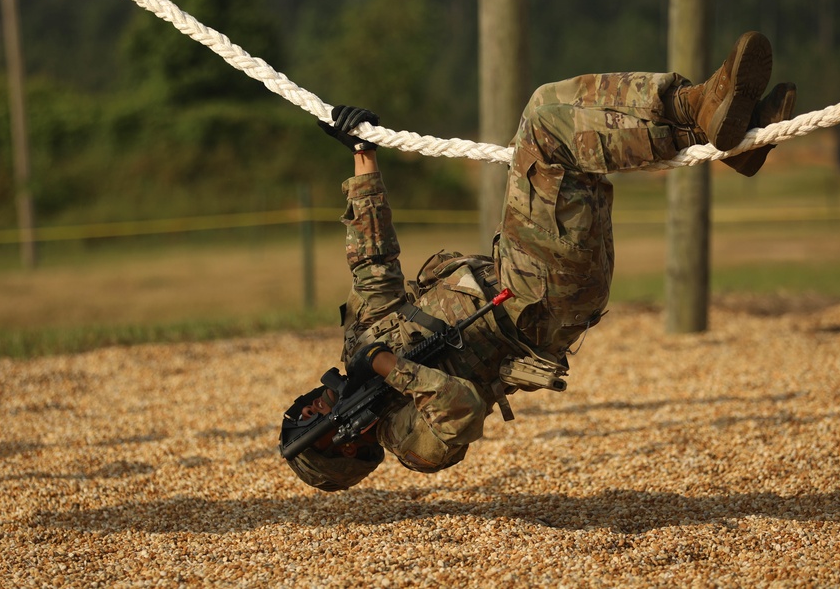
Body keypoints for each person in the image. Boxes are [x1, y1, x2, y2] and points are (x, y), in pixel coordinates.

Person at [281, 31, 797, 491]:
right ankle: (696, 107)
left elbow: (372, 262)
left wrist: (361, 153)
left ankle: (730, 132)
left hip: (523, 267)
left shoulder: (361, 343)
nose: (308, 407)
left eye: (303, 412)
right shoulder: (410, 444)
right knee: (546, 124)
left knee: (570, 148)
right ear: (344, 449)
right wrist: (392, 369)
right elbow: (460, 408)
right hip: (537, 304)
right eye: (310, 423)